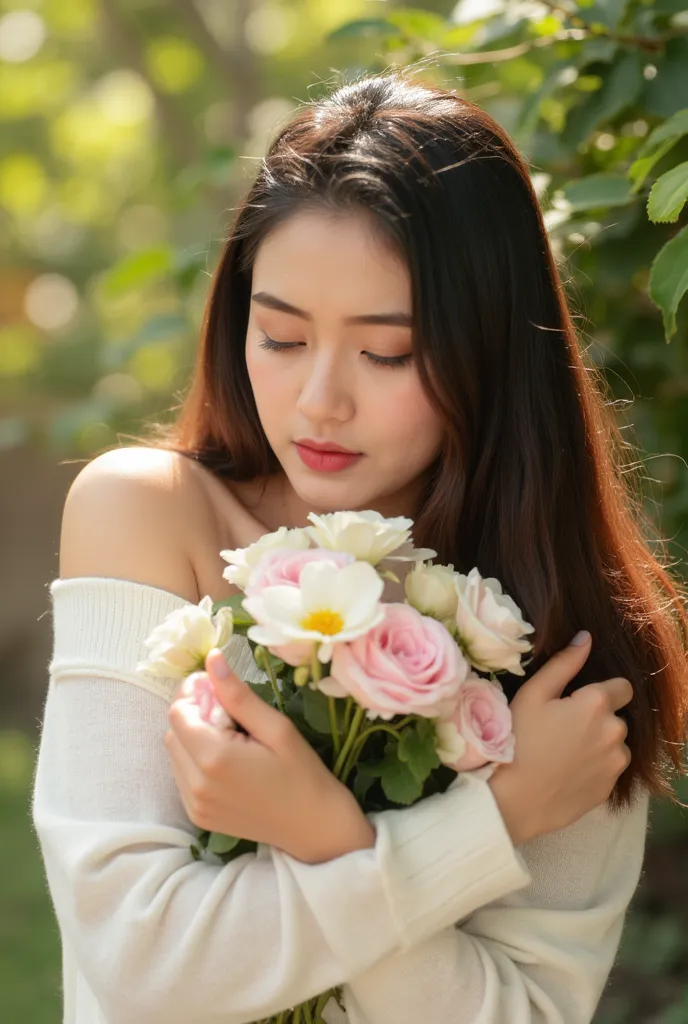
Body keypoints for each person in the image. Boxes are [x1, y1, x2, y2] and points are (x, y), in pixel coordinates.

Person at [31, 69, 688, 1024]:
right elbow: (143, 964)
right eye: (282, 338)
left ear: (492, 350)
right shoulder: (150, 516)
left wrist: (327, 841)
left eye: (387, 353)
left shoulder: (563, 646)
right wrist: (490, 821)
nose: (320, 401)